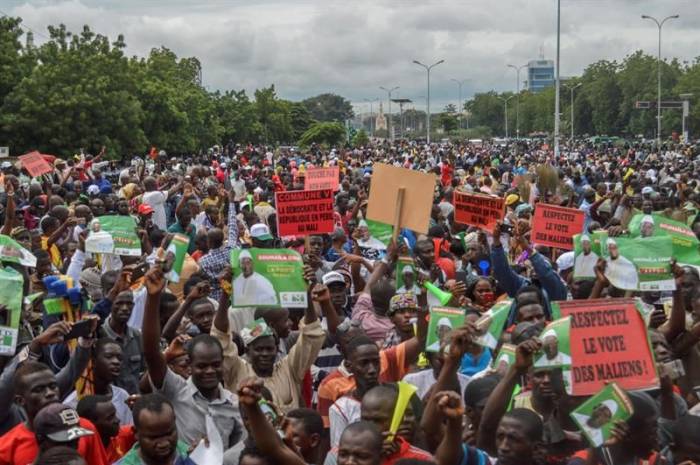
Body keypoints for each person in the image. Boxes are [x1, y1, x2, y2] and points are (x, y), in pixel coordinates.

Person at [142, 265, 244, 451]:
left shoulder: (235, 404)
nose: (209, 371)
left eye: (215, 365)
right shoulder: (176, 391)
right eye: (202, 366)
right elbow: (151, 353)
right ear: (190, 364)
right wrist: (152, 297)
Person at [211, 267, 326, 413]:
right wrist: (225, 292)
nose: (264, 353)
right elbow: (220, 337)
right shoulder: (236, 369)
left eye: (269, 349)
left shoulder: (289, 369)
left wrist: (306, 294)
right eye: (258, 349)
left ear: (277, 349)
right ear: (247, 350)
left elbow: (311, 334)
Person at [0, 361, 109, 465]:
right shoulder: (6, 447)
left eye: (53, 386)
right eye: (39, 390)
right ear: (20, 401)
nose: (50, 393)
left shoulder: (84, 428)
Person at [116, 393, 196, 465]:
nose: (164, 444)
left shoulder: (192, 456)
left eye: (169, 434)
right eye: (154, 437)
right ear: (136, 433)